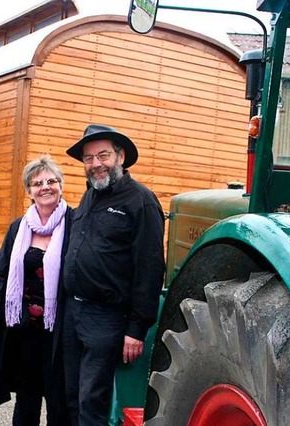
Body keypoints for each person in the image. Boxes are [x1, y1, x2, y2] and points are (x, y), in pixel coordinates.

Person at [62, 124, 165, 425]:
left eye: (103, 155)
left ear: (120, 156)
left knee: (93, 401)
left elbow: (150, 268)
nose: (96, 164)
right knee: (70, 396)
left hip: (106, 317)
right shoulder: (89, 197)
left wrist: (136, 329)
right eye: (88, 158)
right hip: (74, 312)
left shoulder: (141, 201)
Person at [0, 154, 72, 426]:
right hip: (25, 333)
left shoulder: (75, 224)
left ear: (61, 186)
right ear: (28, 191)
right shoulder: (18, 228)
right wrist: (10, 304)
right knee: (27, 401)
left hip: (60, 335)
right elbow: (1, 274)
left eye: (51, 181)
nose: (45, 187)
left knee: (60, 402)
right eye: (37, 183)